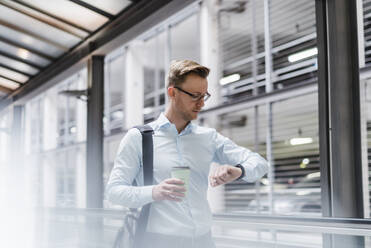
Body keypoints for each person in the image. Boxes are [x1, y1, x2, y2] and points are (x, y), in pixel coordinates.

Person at [106, 60, 268, 248]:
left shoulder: (208, 137)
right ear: (173, 93)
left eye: (204, 96)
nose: (201, 104)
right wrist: (154, 192)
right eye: (194, 96)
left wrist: (239, 170)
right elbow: (114, 192)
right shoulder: (139, 138)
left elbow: (260, 163)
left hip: (203, 241)